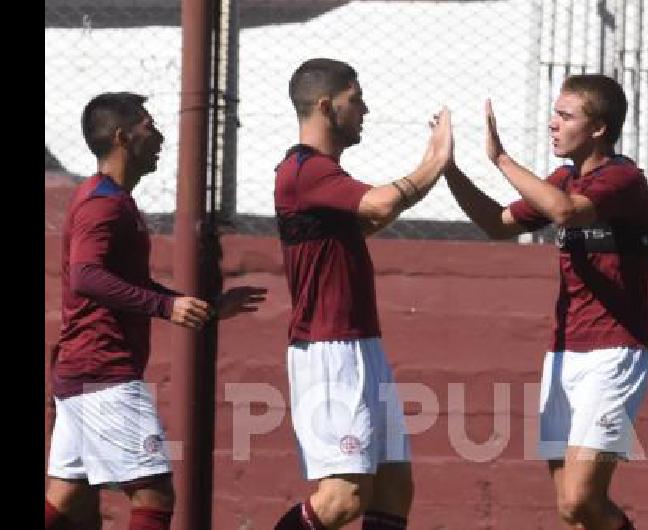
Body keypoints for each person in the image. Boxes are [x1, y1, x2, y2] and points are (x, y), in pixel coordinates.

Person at [45, 92, 267, 530]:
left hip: (84, 372)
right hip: (103, 372)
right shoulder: (102, 204)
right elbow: (86, 276)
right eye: (150, 126)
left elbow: (126, 281)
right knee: (154, 493)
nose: (161, 136)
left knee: (67, 495)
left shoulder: (111, 199)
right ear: (123, 137)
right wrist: (166, 305)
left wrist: (205, 310)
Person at [444, 75, 648, 530]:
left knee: (581, 500)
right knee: (571, 511)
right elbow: (498, 223)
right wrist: (448, 171)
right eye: (554, 114)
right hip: (564, 354)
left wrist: (500, 157)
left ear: (598, 128)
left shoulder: (622, 179)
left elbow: (565, 211)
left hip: (615, 352)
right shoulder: (563, 178)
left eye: (565, 116)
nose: (552, 124)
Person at [272, 58, 452, 530]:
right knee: (343, 497)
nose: (365, 108)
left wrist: (431, 171)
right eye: (356, 99)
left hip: (361, 345)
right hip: (329, 348)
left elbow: (368, 222)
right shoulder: (303, 170)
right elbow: (382, 201)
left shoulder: (324, 179)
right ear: (327, 106)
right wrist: (434, 159)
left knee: (393, 490)